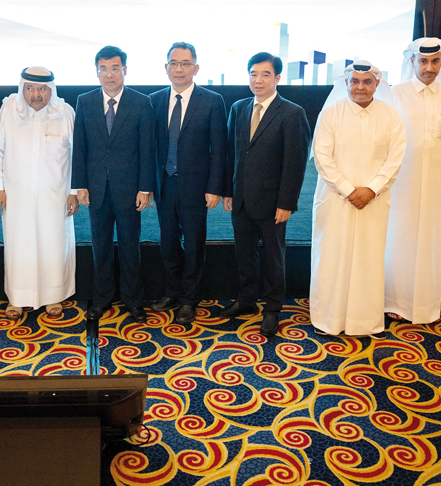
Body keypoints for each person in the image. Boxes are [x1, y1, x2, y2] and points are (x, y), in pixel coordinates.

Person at [310, 62, 405, 336]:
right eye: (355, 81)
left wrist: (372, 189)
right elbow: (323, 157)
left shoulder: (391, 116)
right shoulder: (331, 114)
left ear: (377, 85)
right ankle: (328, 318)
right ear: (347, 83)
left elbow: (395, 159)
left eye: (366, 82)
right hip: (336, 200)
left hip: (374, 202)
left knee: (368, 259)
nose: (360, 87)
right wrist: (349, 190)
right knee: (331, 257)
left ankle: (363, 321)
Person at [221, 52, 309, 338]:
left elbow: (295, 162)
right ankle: (247, 300)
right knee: (244, 253)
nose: (258, 80)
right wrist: (228, 191)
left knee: (273, 256)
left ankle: (272, 308)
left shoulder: (292, 113)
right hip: (241, 197)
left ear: (278, 78)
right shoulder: (239, 108)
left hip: (273, 202)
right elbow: (231, 154)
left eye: (265, 75)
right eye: (253, 74)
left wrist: (286, 202)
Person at [384, 39, 441, 324]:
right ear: (412, 62)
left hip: (436, 184)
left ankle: (425, 305)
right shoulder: (396, 94)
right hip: (399, 181)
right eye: (423, 61)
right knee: (398, 238)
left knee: (430, 241)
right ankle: (393, 300)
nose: (429, 68)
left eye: (435, 62)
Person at [72, 46, 155, 323]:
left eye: (115, 68)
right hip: (95, 188)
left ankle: (134, 301)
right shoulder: (84, 101)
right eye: (104, 69)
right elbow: (80, 147)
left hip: (130, 190)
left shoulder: (142, 102)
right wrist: (79, 184)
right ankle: (102, 299)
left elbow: (147, 149)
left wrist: (145, 187)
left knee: (131, 247)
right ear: (97, 72)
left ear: (125, 70)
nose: (109, 74)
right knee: (101, 245)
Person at [0, 67, 78, 318]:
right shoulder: (9, 110)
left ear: (52, 89)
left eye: (42, 89)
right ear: (22, 89)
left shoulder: (65, 113)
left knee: (54, 244)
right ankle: (17, 298)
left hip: (55, 196)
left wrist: (73, 192)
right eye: (29, 88)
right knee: (19, 245)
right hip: (16, 196)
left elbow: (76, 156)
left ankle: (54, 296)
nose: (36, 94)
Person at [149, 43, 227, 326]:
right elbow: (150, 147)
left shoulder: (212, 100)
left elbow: (219, 148)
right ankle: (172, 291)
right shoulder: (155, 100)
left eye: (185, 63)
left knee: (193, 245)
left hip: (196, 187)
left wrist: (215, 187)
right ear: (166, 67)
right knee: (168, 243)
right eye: (173, 63)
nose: (178, 69)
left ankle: (188, 300)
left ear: (196, 68)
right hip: (164, 185)